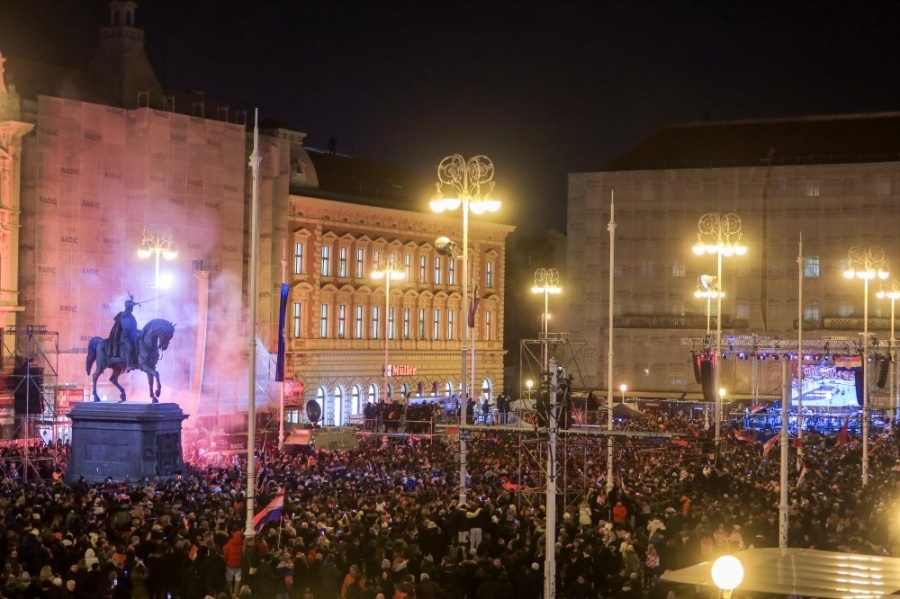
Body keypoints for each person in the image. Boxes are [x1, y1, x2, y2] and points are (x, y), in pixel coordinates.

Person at [109, 298, 139, 370]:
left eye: (132, 308)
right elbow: (126, 305)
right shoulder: (123, 314)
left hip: (132, 336)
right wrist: (132, 303)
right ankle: (128, 365)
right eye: (131, 308)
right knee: (129, 347)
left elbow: (134, 328)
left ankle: (136, 361)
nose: (132, 309)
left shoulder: (132, 317)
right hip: (124, 337)